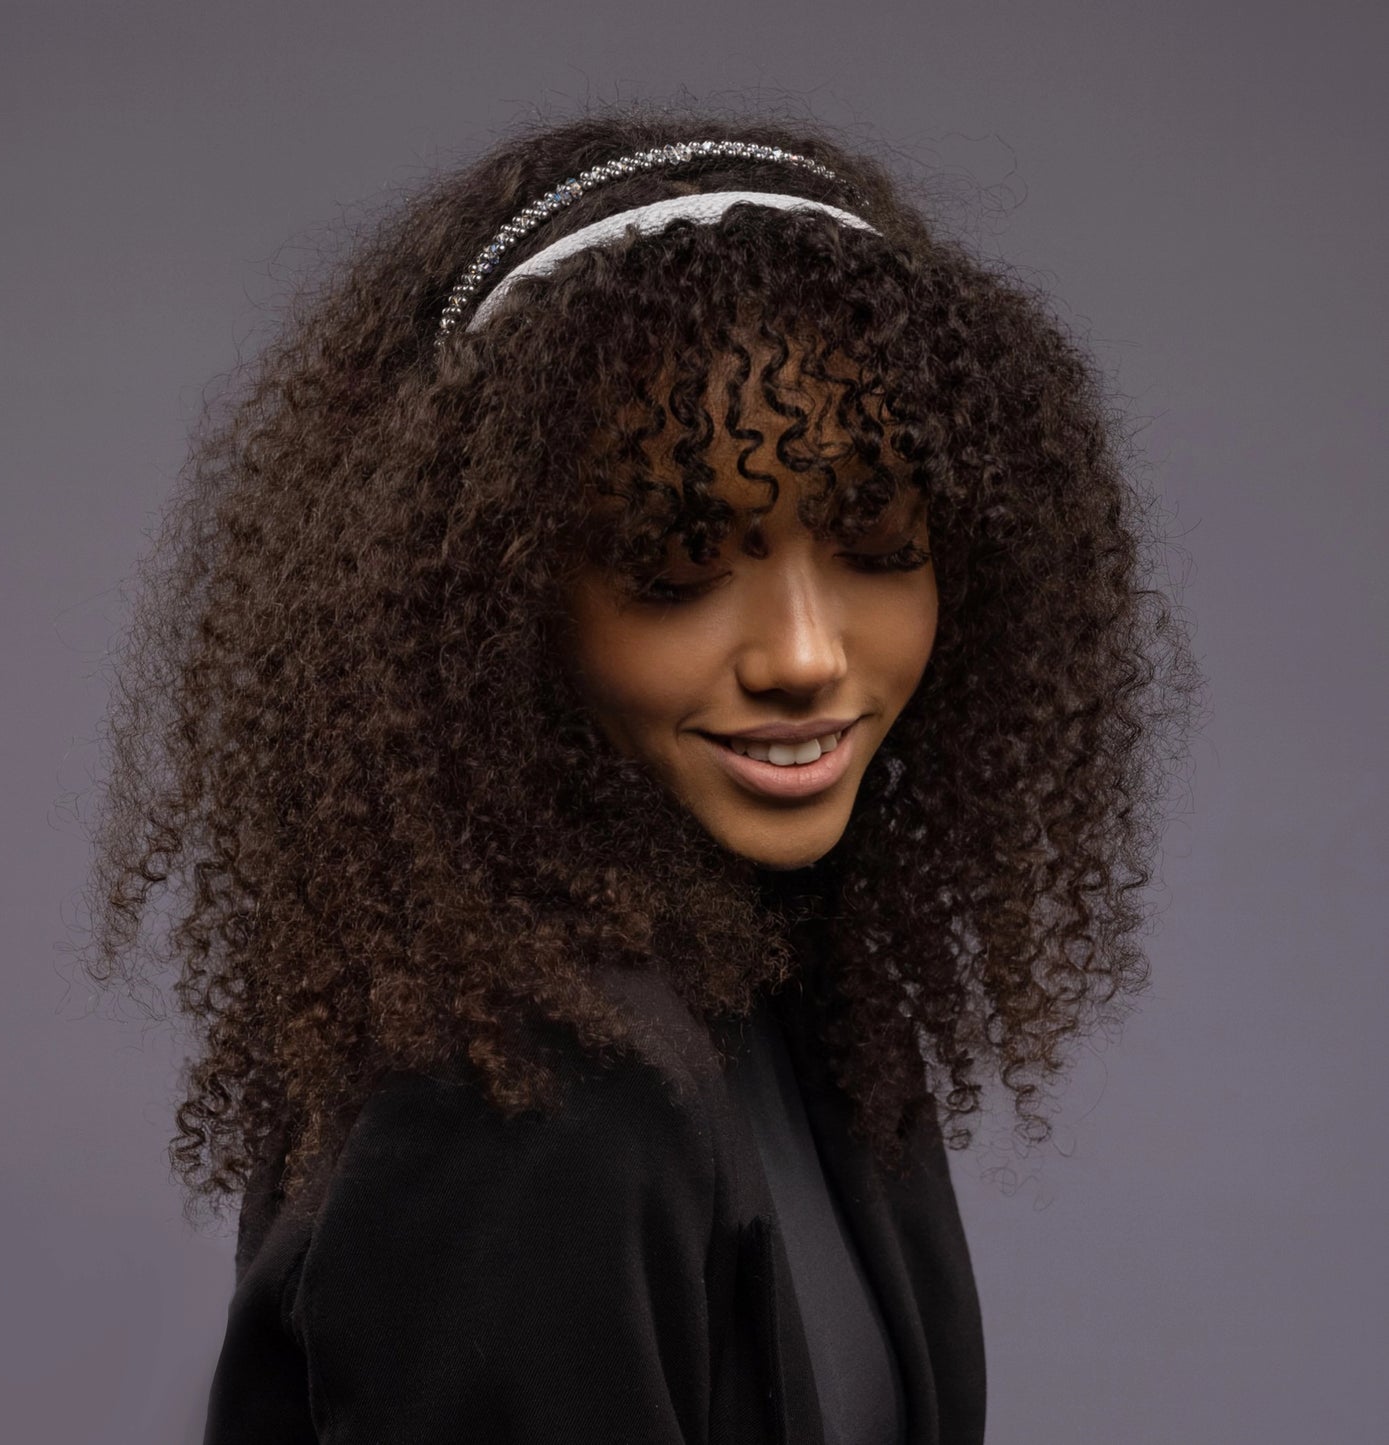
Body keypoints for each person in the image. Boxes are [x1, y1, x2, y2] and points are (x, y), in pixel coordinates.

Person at [79, 106, 1202, 1445]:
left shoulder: (800, 989)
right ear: (492, 607)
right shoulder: (526, 1099)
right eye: (675, 566)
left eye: (880, 545)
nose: (801, 653)